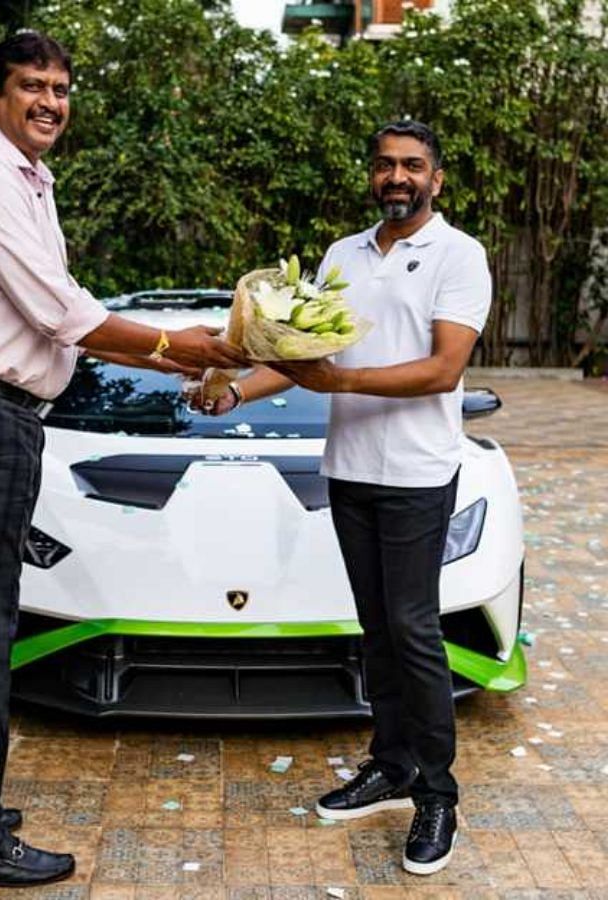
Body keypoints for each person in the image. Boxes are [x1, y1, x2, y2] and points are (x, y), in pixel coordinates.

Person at [0, 29, 246, 889]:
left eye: (60, 88)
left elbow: (72, 318)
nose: (49, 101)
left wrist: (192, 358)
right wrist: (181, 343)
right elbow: (62, 314)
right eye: (31, 86)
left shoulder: (27, 182)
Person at [194, 119, 490, 876]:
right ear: (372, 175)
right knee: (378, 630)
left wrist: (344, 384)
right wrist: (239, 394)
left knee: (414, 630)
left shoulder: (460, 256)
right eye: (387, 165)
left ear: (437, 179)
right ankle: (390, 767)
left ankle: (437, 794)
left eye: (413, 166)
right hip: (351, 470)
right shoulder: (342, 255)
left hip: (419, 473)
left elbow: (442, 371)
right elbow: (304, 357)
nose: (399, 177)